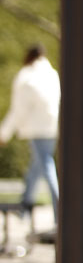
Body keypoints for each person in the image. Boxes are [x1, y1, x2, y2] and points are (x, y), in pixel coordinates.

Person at [0, 44, 60, 225]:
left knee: (46, 166)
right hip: (52, 127)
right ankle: (25, 205)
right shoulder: (52, 74)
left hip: (36, 129)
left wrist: (4, 133)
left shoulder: (27, 77)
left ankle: (59, 209)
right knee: (37, 167)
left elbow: (19, 110)